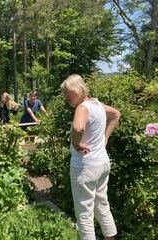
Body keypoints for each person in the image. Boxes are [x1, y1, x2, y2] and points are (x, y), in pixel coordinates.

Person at [60, 74, 120, 240]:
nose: (65, 96)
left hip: (85, 167)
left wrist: (77, 144)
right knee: (101, 204)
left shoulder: (83, 107)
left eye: (67, 92)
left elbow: (78, 128)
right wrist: (105, 138)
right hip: (101, 163)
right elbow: (115, 114)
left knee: (84, 212)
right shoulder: (97, 104)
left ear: (77, 89)